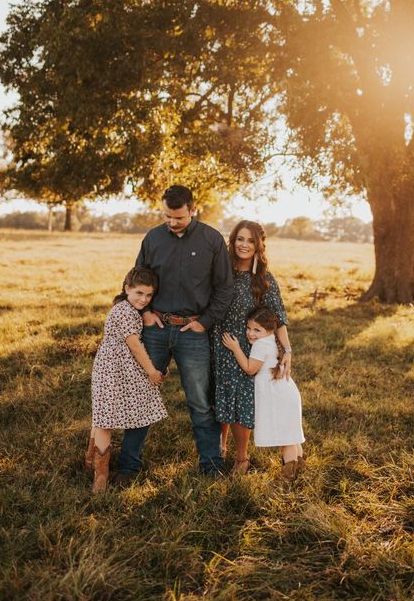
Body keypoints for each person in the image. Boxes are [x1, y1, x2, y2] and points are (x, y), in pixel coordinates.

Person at [117, 185, 234, 479]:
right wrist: (144, 312)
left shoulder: (211, 240)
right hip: (156, 328)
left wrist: (205, 322)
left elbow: (224, 287)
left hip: (193, 331)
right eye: (167, 216)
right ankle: (128, 466)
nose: (171, 222)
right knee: (141, 393)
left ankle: (211, 466)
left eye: (178, 217)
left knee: (199, 401)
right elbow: (135, 278)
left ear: (193, 210)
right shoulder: (153, 238)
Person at [211, 220, 292, 474]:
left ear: (258, 246)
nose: (244, 245)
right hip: (216, 342)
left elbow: (277, 317)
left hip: (245, 347)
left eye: (250, 241)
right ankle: (219, 448)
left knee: (237, 402)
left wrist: (287, 350)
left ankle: (242, 458)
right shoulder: (221, 272)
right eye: (240, 239)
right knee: (217, 397)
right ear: (232, 241)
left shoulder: (263, 279)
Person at [85, 267, 168, 494]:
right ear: (127, 289)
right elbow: (134, 344)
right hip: (113, 369)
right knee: (105, 418)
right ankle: (100, 474)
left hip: (125, 369)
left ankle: (92, 459)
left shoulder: (131, 309)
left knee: (126, 408)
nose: (144, 299)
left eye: (149, 295)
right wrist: (151, 370)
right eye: (139, 293)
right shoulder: (123, 311)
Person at [222, 306, 305, 479]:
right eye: (248, 328)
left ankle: (289, 476)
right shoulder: (271, 340)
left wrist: (235, 348)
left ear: (269, 330)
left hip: (279, 396)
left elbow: (250, 368)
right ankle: (299, 466)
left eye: (257, 330)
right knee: (291, 433)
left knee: (286, 438)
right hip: (287, 391)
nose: (250, 333)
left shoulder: (260, 345)